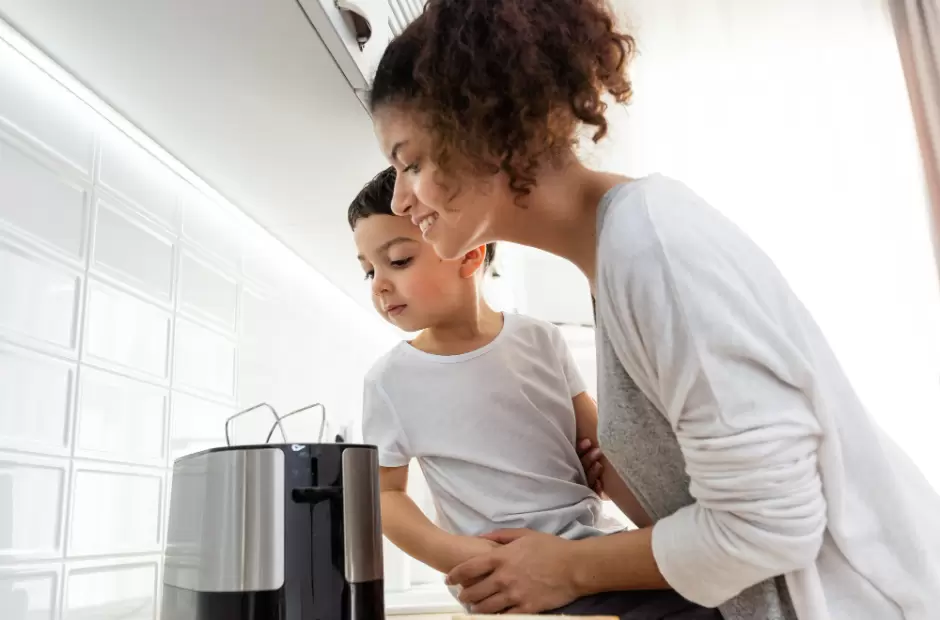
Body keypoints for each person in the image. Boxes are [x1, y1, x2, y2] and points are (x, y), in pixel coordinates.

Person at [364, 1, 940, 619]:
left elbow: (772, 524)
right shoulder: (613, 261)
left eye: (411, 162)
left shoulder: (652, 247)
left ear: (486, 133)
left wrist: (567, 568)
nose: (401, 195)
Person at [349, 167, 712, 618]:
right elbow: (385, 495)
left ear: (468, 255)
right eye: (368, 271)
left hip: (593, 550)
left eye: (398, 261)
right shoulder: (390, 381)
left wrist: (662, 527)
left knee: (711, 603)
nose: (380, 284)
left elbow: (602, 443)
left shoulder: (541, 339)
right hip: (507, 579)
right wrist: (465, 558)